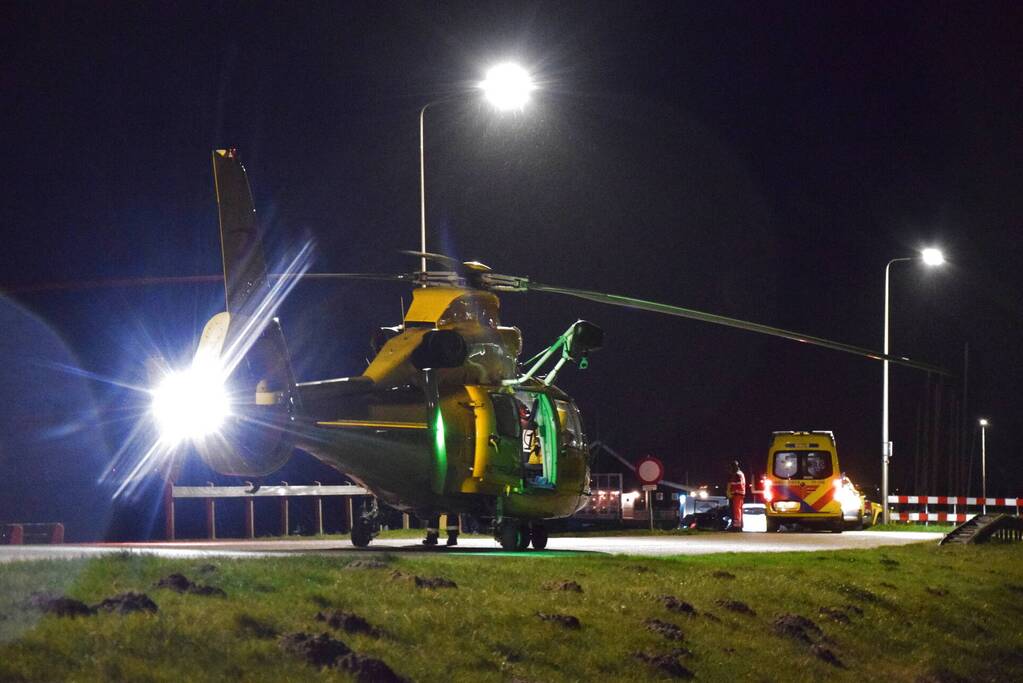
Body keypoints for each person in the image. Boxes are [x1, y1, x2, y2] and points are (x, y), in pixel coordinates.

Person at [727, 461, 746, 531]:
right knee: (739, 510)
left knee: (736, 510)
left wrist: (729, 492)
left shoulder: (737, 474)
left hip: (736, 494)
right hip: (740, 494)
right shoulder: (740, 473)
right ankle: (739, 525)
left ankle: (736, 526)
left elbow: (732, 484)